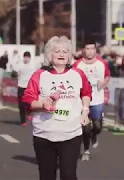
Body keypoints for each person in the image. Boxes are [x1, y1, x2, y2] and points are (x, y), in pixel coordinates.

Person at [22, 36, 92, 180]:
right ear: (49, 55)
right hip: (44, 134)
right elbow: (28, 100)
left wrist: (85, 111)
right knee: (47, 176)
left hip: (71, 134)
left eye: (65, 51)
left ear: (70, 55)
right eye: (57, 51)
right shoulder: (40, 75)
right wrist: (43, 105)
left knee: (69, 175)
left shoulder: (77, 74)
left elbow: (86, 92)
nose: (61, 54)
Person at [73, 40, 110, 161]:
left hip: (97, 99)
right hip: (83, 101)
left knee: (97, 126)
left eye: (92, 49)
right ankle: (86, 151)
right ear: (83, 50)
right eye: (87, 49)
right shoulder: (77, 65)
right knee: (85, 127)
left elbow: (107, 76)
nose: (90, 51)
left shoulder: (101, 63)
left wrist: (103, 83)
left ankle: (95, 135)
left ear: (95, 50)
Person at [16, 51, 38, 126]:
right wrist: (16, 73)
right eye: (25, 57)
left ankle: (29, 113)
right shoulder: (20, 64)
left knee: (29, 102)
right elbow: (15, 72)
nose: (26, 59)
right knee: (21, 104)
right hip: (21, 85)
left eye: (27, 57)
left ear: (30, 58)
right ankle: (23, 121)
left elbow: (37, 74)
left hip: (29, 86)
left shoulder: (33, 65)